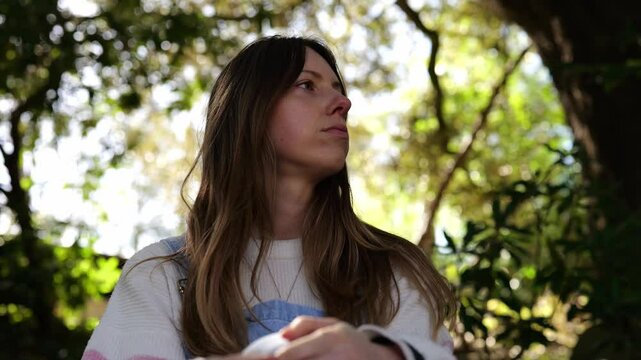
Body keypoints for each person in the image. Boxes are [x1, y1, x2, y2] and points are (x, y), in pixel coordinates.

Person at [83, 35, 457, 360]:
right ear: (250, 112)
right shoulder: (161, 274)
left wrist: (381, 354)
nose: (344, 103)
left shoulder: (391, 271)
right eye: (307, 85)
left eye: (338, 89)